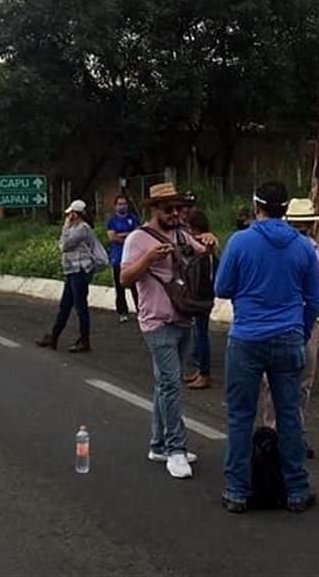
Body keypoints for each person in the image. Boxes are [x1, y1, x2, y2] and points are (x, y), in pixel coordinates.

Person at [214, 182, 319, 514]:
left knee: (240, 416)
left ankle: (237, 491)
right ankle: (296, 491)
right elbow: (314, 301)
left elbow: (222, 287)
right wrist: (299, 332)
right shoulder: (304, 247)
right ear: (286, 208)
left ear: (256, 205)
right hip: (289, 336)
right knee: (289, 415)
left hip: (247, 337)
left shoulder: (240, 241)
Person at [119, 183, 217, 479]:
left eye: (178, 208)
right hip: (157, 321)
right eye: (169, 209)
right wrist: (148, 259)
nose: (175, 213)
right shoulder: (138, 239)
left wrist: (212, 243)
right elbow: (124, 278)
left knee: (164, 384)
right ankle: (176, 448)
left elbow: (206, 255)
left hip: (183, 317)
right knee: (172, 384)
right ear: (154, 210)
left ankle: (159, 444)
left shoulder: (181, 234)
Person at [257, 198, 319, 459]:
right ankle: (272, 433)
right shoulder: (276, 251)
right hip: (281, 319)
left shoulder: (318, 254)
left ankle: (295, 434)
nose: (302, 230)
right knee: (272, 380)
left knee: (303, 382)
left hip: (304, 320)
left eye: (305, 226)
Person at [35, 199, 101, 354]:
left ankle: (84, 340)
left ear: (77, 214)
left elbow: (64, 245)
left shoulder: (82, 229)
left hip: (80, 271)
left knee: (80, 307)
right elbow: (62, 244)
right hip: (71, 271)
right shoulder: (74, 228)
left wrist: (65, 227)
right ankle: (54, 336)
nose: (69, 216)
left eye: (71, 213)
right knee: (65, 306)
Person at [184, 208, 215, 390]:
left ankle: (204, 372)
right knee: (198, 333)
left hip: (201, 294)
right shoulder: (208, 241)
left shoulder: (202, 243)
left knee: (201, 334)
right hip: (204, 293)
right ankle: (201, 369)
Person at [106, 194, 140, 323]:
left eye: (124, 203)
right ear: (115, 206)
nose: (122, 206)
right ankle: (122, 312)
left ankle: (140, 310)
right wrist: (128, 235)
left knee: (136, 287)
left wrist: (123, 235)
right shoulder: (112, 220)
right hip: (117, 258)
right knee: (119, 288)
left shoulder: (133, 218)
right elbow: (112, 238)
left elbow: (137, 235)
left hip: (132, 258)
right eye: (119, 204)